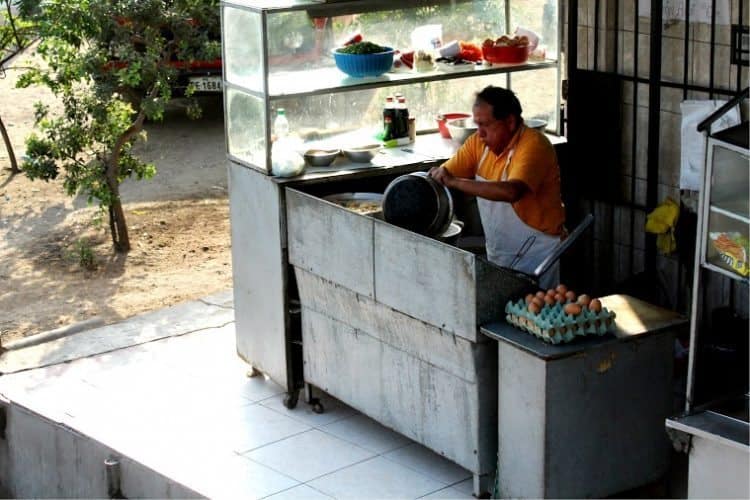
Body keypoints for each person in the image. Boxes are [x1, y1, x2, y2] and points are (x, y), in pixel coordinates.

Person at [429, 85, 565, 289]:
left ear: (510, 122)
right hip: (500, 255)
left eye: (485, 125)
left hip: (539, 258)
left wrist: (455, 182)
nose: (480, 133)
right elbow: (444, 176)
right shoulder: (478, 143)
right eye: (477, 124)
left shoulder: (534, 145)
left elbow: (512, 191)